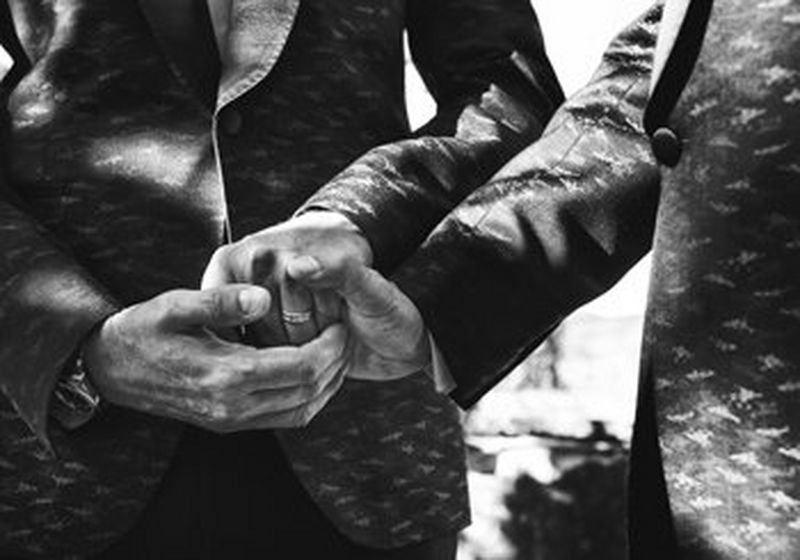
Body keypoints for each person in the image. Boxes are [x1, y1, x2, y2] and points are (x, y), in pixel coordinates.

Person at [0, 0, 565, 557]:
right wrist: (74, 344)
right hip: (65, 462)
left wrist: (356, 216)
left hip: (368, 441)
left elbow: (509, 95)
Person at [242, 0, 799, 557]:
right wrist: (439, 298)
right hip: (725, 472)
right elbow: (668, 81)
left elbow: (501, 80)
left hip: (371, 468)